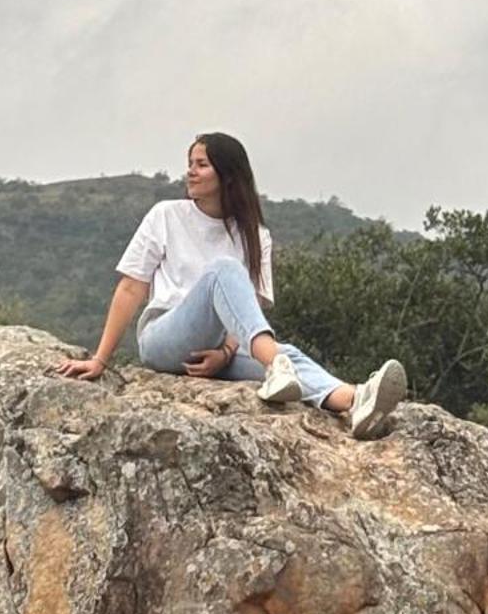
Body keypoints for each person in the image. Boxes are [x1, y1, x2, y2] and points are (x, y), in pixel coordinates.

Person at [57, 132, 407, 439]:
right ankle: (275, 365)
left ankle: (354, 401)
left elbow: (245, 312)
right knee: (225, 273)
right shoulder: (166, 215)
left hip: (223, 349)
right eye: (190, 163)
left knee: (291, 355)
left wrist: (225, 353)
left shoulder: (255, 235)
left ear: (227, 176)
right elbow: (131, 289)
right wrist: (100, 360)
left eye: (201, 164)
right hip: (165, 338)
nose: (190, 171)